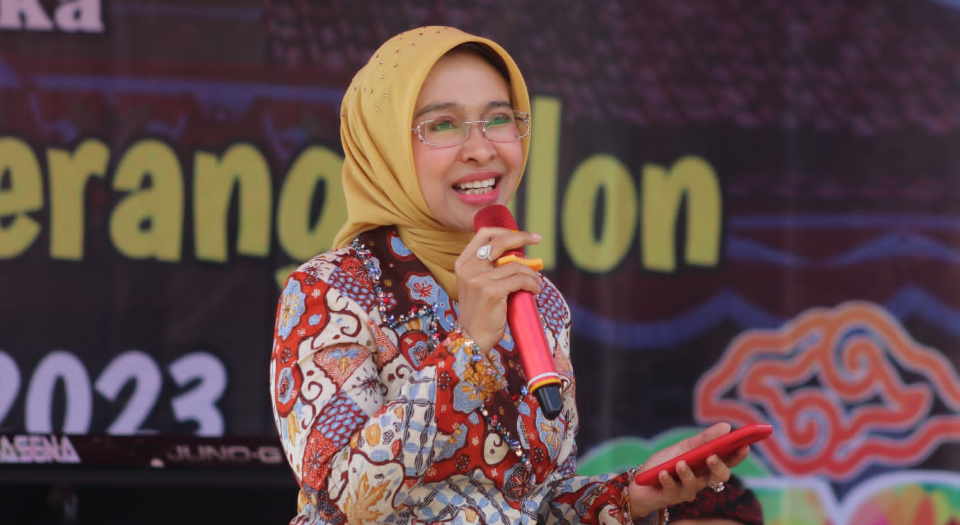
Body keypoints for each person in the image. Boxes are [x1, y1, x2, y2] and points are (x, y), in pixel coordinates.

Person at [270, 26, 763, 525]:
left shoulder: (537, 299)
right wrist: (467, 348)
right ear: (385, 144)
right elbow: (341, 499)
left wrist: (631, 496)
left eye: (499, 119)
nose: (482, 149)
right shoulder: (330, 290)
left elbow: (534, 503)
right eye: (443, 124)